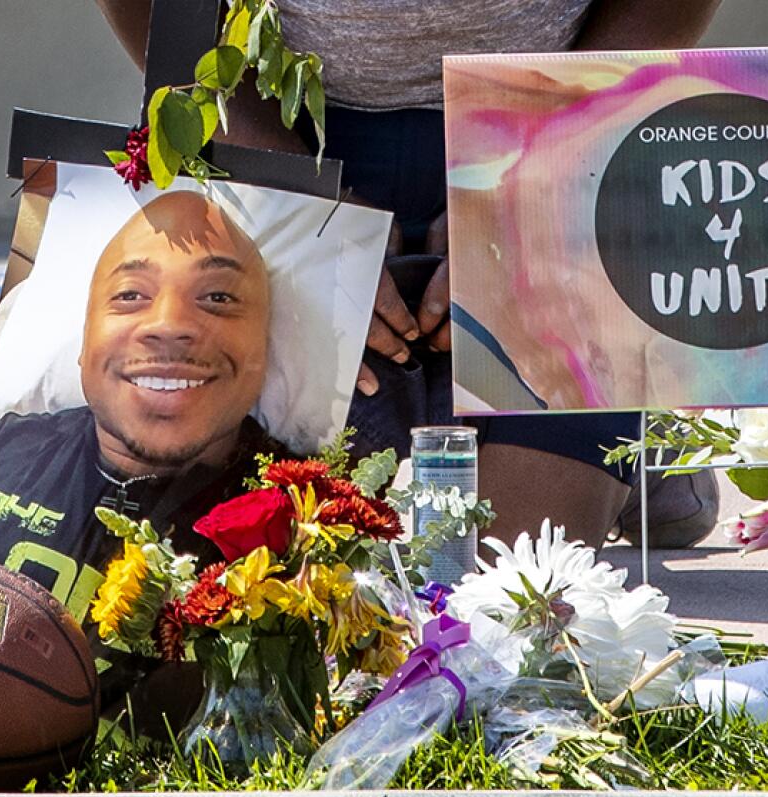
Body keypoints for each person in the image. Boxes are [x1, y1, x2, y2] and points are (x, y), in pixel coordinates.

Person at [94, 0, 722, 547]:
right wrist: (303, 202)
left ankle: (631, 434)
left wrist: (529, 179)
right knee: (307, 556)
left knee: (507, 598)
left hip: (555, 119)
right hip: (280, 129)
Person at [0, 191, 289, 625]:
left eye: (218, 298)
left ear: (265, 347)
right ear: (84, 342)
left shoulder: (315, 520)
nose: (168, 326)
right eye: (130, 295)